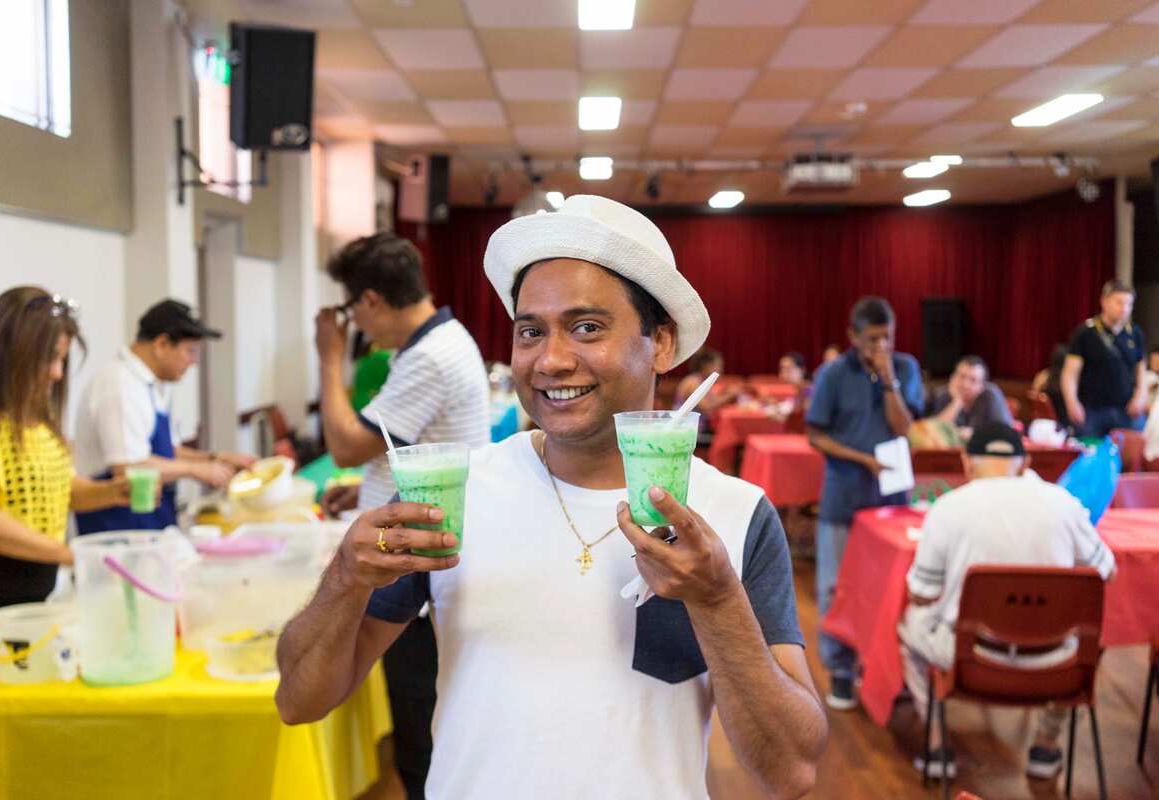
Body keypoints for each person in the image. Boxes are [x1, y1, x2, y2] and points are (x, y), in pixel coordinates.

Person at [276, 195, 827, 798]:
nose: (552, 360)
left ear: (662, 343)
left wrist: (717, 600)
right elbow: (300, 700)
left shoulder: (736, 514)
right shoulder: (456, 493)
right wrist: (345, 578)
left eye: (587, 327)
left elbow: (791, 772)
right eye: (531, 332)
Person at [312, 231, 490, 800]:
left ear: (370, 300)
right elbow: (404, 450)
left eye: (353, 310)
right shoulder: (434, 342)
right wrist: (365, 492)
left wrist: (329, 357)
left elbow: (346, 445)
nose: (356, 325)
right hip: (421, 547)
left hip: (420, 568)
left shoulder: (429, 357)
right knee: (421, 724)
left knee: (421, 738)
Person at [899, 422, 1116, 780]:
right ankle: (1045, 745)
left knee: (910, 624)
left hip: (972, 658)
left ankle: (937, 744)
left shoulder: (948, 508)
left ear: (967, 463)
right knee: (1091, 637)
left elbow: (921, 593)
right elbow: (1106, 571)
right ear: (1025, 462)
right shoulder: (1063, 503)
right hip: (1055, 664)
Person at [0, 288, 135, 684]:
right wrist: (68, 554)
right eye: (48, 359)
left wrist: (112, 492)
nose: (57, 373)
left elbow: (56, 490)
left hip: (29, 595)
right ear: (10, 352)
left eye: (62, 360)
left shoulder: (34, 417)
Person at [806, 296, 925, 710]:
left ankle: (884, 668)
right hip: (845, 495)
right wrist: (861, 459)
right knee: (836, 587)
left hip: (892, 499)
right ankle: (840, 670)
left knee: (891, 587)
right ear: (853, 337)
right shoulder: (834, 374)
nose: (881, 346)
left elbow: (904, 428)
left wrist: (889, 380)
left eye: (888, 337)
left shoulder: (905, 368)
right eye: (873, 339)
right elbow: (815, 435)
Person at [73, 299, 254, 534]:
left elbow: (167, 451)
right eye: (190, 351)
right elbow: (128, 468)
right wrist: (195, 470)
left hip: (152, 517)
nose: (194, 361)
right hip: (117, 523)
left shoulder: (153, 385)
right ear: (161, 344)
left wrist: (215, 458)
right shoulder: (119, 385)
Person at [1061, 280, 1147, 439]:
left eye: (1129, 304)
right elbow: (1070, 373)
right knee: (1089, 450)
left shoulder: (1135, 333)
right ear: (1104, 302)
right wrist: (1072, 402)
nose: (1124, 308)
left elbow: (1141, 370)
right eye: (1119, 302)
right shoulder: (1086, 332)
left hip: (1126, 411)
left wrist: (1140, 396)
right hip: (1091, 411)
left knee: (1132, 451)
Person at [925, 355, 1013, 438]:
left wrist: (976, 434)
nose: (965, 384)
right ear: (952, 377)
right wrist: (957, 402)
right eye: (961, 376)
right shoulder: (942, 394)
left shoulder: (991, 395)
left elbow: (1006, 432)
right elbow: (932, 432)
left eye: (973, 380)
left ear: (981, 386)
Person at [673, 346, 739, 416]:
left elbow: (713, 400)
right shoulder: (693, 381)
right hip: (686, 422)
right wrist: (729, 396)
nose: (721, 370)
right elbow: (705, 407)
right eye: (718, 366)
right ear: (706, 366)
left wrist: (727, 393)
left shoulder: (702, 380)